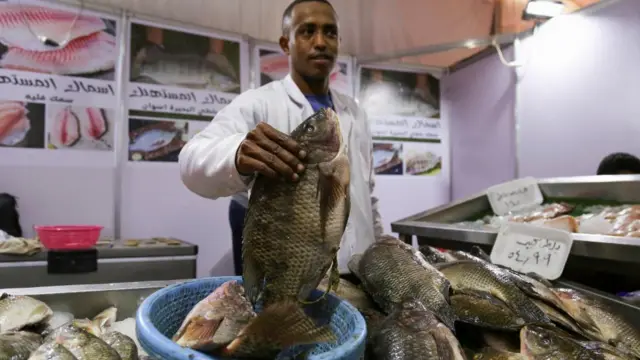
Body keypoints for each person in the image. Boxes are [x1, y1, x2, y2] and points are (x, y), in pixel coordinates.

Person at [178, 0, 384, 276]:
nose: (320, 42)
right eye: (307, 31)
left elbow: (366, 194)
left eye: (330, 32)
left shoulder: (355, 112)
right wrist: (236, 153)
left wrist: (380, 246)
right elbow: (191, 161)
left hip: (357, 269)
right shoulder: (258, 104)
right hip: (291, 270)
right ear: (286, 44)